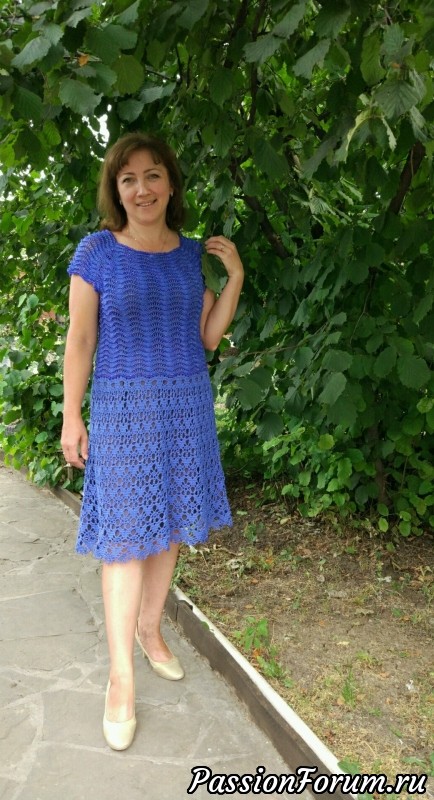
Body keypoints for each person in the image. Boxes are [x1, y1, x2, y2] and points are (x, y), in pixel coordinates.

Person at [61, 132, 244, 751]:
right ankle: (121, 679)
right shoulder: (97, 252)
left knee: (168, 526)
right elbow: (81, 339)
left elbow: (208, 336)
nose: (142, 189)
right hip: (122, 412)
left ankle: (149, 629)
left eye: (153, 175)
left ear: (170, 183)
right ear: (116, 190)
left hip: (185, 407)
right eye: (128, 179)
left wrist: (234, 277)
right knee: (123, 539)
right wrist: (71, 415)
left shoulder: (190, 255)